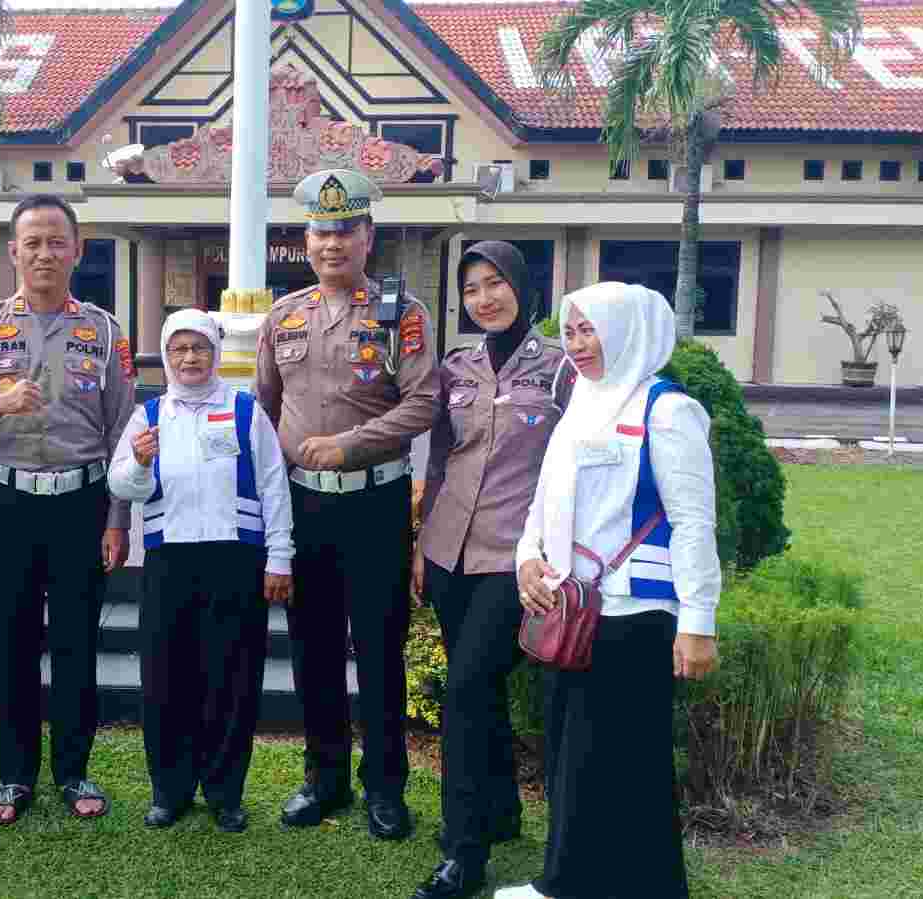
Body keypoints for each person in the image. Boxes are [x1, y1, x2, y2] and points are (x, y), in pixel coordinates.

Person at [498, 282, 722, 899]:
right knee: (571, 754)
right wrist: (527, 559)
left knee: (627, 763)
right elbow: (546, 500)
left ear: (628, 331)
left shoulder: (667, 411)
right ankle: (566, 880)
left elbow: (694, 520)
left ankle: (628, 885)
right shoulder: (582, 401)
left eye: (590, 329)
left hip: (636, 614)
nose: (577, 344)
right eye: (570, 331)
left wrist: (698, 619)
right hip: (575, 609)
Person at [0, 193, 135, 824]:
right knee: (15, 642)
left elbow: (124, 435)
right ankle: (14, 776)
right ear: (14, 251)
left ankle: (74, 771)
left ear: (78, 250)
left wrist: (116, 519)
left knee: (77, 644)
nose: (44, 253)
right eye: (32, 242)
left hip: (82, 503)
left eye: (57, 241)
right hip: (12, 503)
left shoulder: (104, 332)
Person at [254, 168, 439, 839]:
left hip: (374, 504)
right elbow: (264, 413)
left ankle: (385, 786)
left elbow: (422, 401)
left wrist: (349, 445)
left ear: (368, 235)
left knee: (380, 647)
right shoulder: (285, 314)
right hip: (306, 512)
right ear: (305, 238)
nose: (331, 242)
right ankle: (322, 777)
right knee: (314, 647)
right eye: (319, 230)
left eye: (344, 230)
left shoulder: (399, 312)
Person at [409, 243, 569, 899]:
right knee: (480, 691)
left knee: (468, 691)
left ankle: (463, 851)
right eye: (471, 288)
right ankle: (499, 811)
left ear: (522, 287)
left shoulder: (561, 369)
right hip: (450, 552)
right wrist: (421, 543)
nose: (483, 298)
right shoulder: (457, 367)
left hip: (515, 557)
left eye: (495, 283)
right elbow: (440, 459)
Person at [107, 309, 295, 833]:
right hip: (170, 562)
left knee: (232, 680)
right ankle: (169, 790)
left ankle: (224, 792)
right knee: (167, 679)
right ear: (166, 357)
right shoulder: (148, 415)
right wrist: (141, 464)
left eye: (200, 348)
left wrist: (279, 557)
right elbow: (121, 487)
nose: (190, 358)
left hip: (236, 560)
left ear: (215, 352)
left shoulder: (244, 410)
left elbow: (274, 486)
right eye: (178, 349)